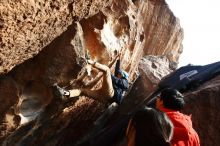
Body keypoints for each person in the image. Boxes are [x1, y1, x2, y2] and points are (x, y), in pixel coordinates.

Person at [54, 58, 129, 105]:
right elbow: (117, 71)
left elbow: (116, 80)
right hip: (103, 97)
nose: (118, 74)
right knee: (82, 91)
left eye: (120, 74)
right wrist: (118, 60)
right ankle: (65, 93)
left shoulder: (125, 82)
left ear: (122, 76)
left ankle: (88, 61)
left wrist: (110, 75)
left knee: (106, 70)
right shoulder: (120, 78)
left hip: (110, 93)